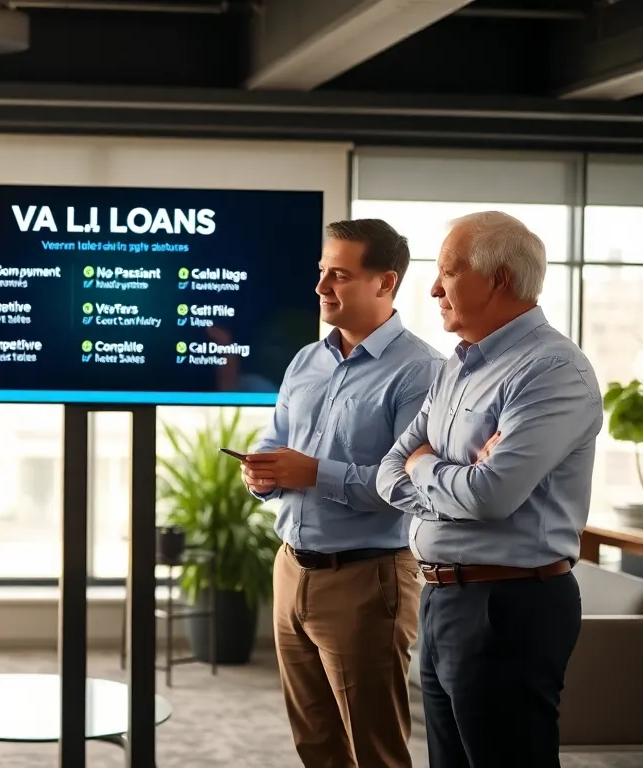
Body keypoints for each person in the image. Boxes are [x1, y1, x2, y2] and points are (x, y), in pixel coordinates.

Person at [377, 211, 602, 767]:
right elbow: (388, 471)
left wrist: (426, 465)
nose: (432, 288)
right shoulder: (456, 366)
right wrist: (450, 475)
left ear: (498, 279)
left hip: (509, 605)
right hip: (441, 596)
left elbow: (490, 496)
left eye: (448, 272)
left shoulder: (552, 370)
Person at [240, 218, 443, 767]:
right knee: (315, 744)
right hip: (291, 569)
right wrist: (260, 471)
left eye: (340, 275)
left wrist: (312, 473)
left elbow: (408, 485)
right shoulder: (307, 360)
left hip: (367, 578)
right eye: (321, 273)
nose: (322, 287)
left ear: (385, 282)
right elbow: (275, 436)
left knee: (374, 747)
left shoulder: (421, 371)